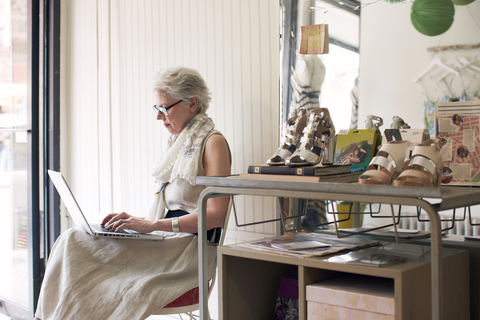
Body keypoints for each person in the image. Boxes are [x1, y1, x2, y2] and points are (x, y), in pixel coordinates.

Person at [34, 66, 231, 320]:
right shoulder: (178, 144)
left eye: (165, 108)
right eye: (157, 109)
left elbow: (216, 215)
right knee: (71, 240)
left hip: (187, 252)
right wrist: (137, 225)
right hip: (165, 240)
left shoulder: (212, 142)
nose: (160, 117)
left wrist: (151, 225)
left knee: (76, 247)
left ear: (192, 103)